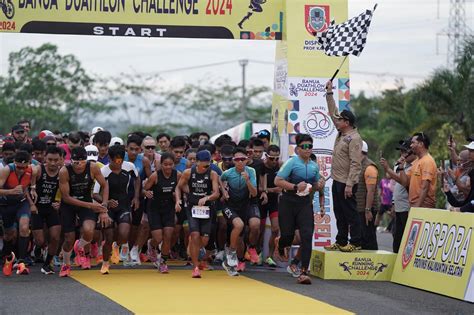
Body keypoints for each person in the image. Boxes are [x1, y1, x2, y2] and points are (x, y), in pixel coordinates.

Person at [274, 134, 322, 285]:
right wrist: (295, 187)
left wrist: (319, 184)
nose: (308, 149)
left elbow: (316, 184)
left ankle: (303, 272)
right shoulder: (291, 163)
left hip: (304, 204)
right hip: (288, 202)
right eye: (304, 147)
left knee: (307, 236)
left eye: (310, 146)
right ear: (297, 149)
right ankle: (281, 244)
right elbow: (278, 181)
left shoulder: (314, 166)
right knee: (288, 236)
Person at [58, 147, 109, 277]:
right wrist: (91, 205)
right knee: (69, 238)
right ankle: (66, 264)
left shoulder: (93, 167)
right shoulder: (64, 171)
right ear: (71, 161)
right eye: (76, 162)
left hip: (86, 202)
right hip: (69, 204)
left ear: (86, 161)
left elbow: (105, 185)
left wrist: (103, 206)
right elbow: (66, 197)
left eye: (82, 162)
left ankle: (79, 245)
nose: (79, 165)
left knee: (89, 231)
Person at [324, 81, 363, 252]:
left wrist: (350, 184)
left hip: (346, 182)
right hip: (337, 179)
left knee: (350, 213)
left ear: (346, 122)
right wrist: (330, 93)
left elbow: (356, 163)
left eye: (340, 120)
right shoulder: (342, 133)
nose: (337, 121)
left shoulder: (354, 138)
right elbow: (332, 114)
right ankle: (340, 240)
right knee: (339, 212)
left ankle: (355, 241)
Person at [93, 145, 140, 274]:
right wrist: (106, 202)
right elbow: (95, 193)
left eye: (120, 160)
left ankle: (117, 246)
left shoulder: (129, 167)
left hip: (124, 205)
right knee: (108, 237)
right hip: (108, 208)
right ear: (110, 159)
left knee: (124, 234)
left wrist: (136, 197)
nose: (118, 163)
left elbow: (137, 179)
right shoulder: (103, 171)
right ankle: (105, 263)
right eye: (115, 161)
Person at [176, 150, 220, 278]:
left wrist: (207, 198)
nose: (207, 167)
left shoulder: (212, 174)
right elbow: (179, 187)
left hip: (206, 208)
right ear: (197, 162)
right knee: (195, 234)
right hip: (192, 207)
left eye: (209, 164)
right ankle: (195, 267)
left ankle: (194, 248)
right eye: (204, 165)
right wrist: (178, 200)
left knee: (204, 239)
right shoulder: (188, 172)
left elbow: (216, 193)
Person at [220, 147, 258, 276]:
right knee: (239, 226)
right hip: (229, 206)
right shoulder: (228, 173)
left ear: (247, 160)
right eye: (237, 159)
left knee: (254, 225)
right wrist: (224, 191)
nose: (240, 162)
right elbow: (220, 179)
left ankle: (251, 247)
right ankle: (231, 252)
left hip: (245, 205)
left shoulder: (251, 171)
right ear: (233, 161)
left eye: (243, 159)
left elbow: (254, 193)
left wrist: (247, 180)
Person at [0, 151, 37, 275]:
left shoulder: (32, 170)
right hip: (6, 204)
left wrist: (31, 201)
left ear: (29, 164)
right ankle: (7, 258)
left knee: (24, 227)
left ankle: (22, 261)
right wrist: (11, 192)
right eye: (19, 167)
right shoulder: (7, 170)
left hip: (22, 203)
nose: (21, 170)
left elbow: (26, 188)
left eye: (24, 167)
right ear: (14, 163)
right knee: (9, 234)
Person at [144, 153, 180, 274]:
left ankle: (163, 261)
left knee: (168, 235)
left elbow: (181, 188)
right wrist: (146, 193)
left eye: (171, 164)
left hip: (169, 207)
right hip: (154, 208)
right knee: (158, 238)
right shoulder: (155, 176)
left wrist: (178, 198)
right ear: (161, 164)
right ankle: (151, 244)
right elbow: (144, 188)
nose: (168, 167)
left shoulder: (177, 175)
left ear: (174, 164)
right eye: (165, 164)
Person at [380, 138, 416, 253]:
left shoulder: (414, 166)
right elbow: (395, 183)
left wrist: (388, 168)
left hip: (407, 206)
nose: (402, 155)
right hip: (399, 205)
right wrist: (394, 203)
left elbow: (403, 181)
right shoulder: (401, 164)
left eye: (405, 152)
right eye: (401, 152)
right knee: (396, 235)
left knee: (405, 237)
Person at [30, 146, 63, 275]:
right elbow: (27, 190)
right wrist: (31, 204)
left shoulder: (62, 172)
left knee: (55, 237)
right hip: (37, 208)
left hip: (51, 208)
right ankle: (37, 247)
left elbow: (66, 192)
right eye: (50, 159)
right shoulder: (37, 170)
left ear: (60, 159)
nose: (53, 163)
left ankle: (47, 264)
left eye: (56, 160)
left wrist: (60, 202)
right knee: (40, 241)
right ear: (45, 158)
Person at [397, 133, 438, 208]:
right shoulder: (417, 161)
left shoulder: (427, 161)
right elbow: (405, 182)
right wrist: (401, 167)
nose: (410, 145)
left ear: (421, 144)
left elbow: (425, 187)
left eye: (413, 143)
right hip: (414, 205)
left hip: (423, 206)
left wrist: (417, 207)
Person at [260, 144, 282, 267]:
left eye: (276, 158)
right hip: (261, 200)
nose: (274, 161)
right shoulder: (260, 166)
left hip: (274, 202)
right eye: (271, 158)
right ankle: (256, 252)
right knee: (259, 229)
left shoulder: (281, 165)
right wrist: (271, 190)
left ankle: (270, 256)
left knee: (275, 229)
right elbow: (258, 188)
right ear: (266, 156)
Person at [355, 141, 379, 250]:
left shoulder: (369, 167)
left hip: (366, 209)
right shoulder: (357, 165)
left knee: (369, 238)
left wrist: (368, 210)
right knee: (361, 239)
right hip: (359, 209)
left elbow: (371, 191)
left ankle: (373, 262)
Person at [442, 141, 474, 213]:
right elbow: (462, 204)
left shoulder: (469, 174)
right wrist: (448, 192)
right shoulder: (470, 173)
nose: (469, 153)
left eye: (471, 151)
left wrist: (461, 209)